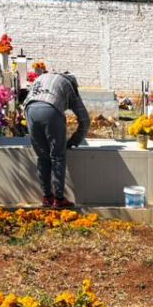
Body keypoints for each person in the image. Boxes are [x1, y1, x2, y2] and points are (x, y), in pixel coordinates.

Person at [22, 70, 90, 208]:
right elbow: (85, 120)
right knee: (57, 156)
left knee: (42, 156)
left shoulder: (42, 77)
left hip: (30, 110)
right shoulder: (69, 85)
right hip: (50, 109)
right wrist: (73, 142)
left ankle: (47, 197)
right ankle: (59, 199)